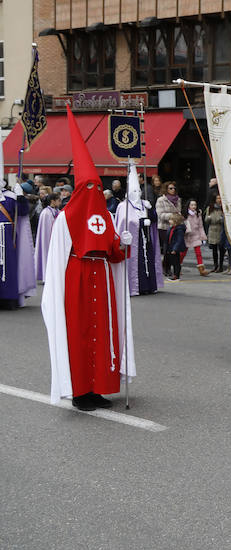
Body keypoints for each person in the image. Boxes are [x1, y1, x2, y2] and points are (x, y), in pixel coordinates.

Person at [41, 106, 135, 410]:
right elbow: (56, 260)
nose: (94, 191)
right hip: (77, 282)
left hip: (103, 280)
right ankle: (80, 391)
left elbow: (115, 254)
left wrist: (125, 243)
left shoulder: (106, 217)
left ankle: (98, 388)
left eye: (98, 186)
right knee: (80, 336)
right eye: (89, 186)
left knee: (102, 334)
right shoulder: (65, 219)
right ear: (80, 190)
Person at [114, 163, 165, 295]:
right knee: (138, 264)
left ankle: (149, 286)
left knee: (149, 261)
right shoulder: (123, 206)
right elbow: (125, 222)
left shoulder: (144, 204)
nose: (137, 194)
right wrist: (141, 222)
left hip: (146, 239)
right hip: (134, 243)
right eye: (134, 191)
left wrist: (151, 212)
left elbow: (154, 218)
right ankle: (136, 286)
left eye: (138, 191)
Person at [0, 182, 37, 308]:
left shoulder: (11, 196)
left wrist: (20, 197)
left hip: (7, 236)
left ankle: (8, 299)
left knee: (8, 266)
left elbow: (22, 211)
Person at [34, 192, 61, 284]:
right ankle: (46, 275)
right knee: (46, 255)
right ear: (52, 201)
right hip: (48, 240)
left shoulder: (58, 211)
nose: (60, 202)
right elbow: (45, 231)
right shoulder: (46, 213)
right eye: (58, 200)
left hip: (56, 239)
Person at [156, 181, 181, 276]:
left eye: (174, 188)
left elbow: (179, 212)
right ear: (166, 189)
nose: (173, 190)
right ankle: (166, 267)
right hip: (164, 227)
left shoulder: (178, 199)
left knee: (173, 248)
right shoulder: (161, 200)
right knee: (167, 248)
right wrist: (172, 216)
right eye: (170, 188)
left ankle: (170, 266)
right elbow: (160, 214)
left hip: (175, 226)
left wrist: (177, 217)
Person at [184, 199, 210, 276]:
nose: (193, 207)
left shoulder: (198, 214)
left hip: (196, 235)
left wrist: (203, 236)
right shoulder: (184, 214)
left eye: (195, 205)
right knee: (183, 252)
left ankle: (201, 269)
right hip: (187, 235)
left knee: (198, 252)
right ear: (188, 206)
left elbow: (201, 226)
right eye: (192, 205)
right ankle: (178, 266)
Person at [205, 194, 227, 273]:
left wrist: (221, 219)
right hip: (212, 229)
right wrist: (209, 218)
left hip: (220, 229)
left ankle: (220, 266)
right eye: (217, 198)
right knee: (214, 249)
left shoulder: (223, 208)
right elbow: (206, 220)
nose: (219, 199)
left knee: (221, 249)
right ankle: (215, 265)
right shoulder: (210, 208)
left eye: (220, 198)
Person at [165, 213, 187, 281]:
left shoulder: (179, 229)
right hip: (171, 247)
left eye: (171, 219)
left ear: (176, 221)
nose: (169, 221)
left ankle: (176, 275)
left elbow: (179, 240)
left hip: (175, 248)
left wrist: (175, 249)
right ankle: (175, 274)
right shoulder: (171, 228)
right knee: (173, 261)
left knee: (176, 262)